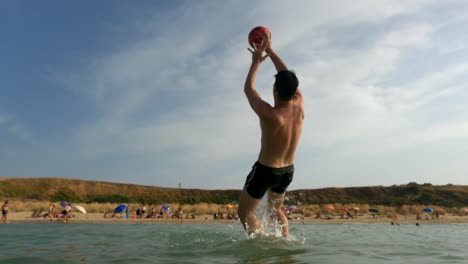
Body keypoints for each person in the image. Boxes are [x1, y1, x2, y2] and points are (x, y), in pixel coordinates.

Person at [237, 30, 304, 238]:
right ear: (294, 91)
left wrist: (257, 61)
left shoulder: (270, 115)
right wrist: (270, 50)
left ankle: (261, 246)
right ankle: (285, 243)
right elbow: (288, 78)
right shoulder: (299, 105)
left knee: (245, 212)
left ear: (275, 91)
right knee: (276, 209)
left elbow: (249, 89)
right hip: (287, 171)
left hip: (265, 171)